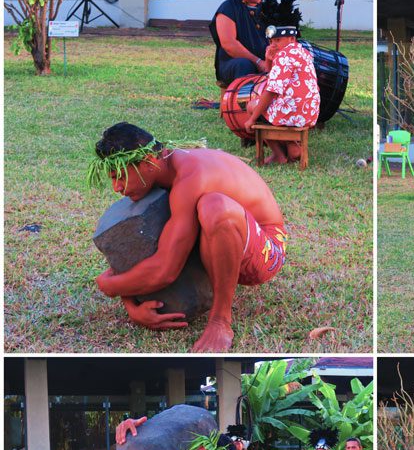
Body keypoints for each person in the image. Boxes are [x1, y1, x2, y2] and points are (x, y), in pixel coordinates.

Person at [88, 122, 288, 353]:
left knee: (215, 207)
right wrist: (131, 305)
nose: (116, 187)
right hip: (227, 236)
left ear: (148, 163)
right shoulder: (163, 167)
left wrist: (111, 286)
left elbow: (165, 270)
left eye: (120, 176)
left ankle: (221, 320)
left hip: (266, 249)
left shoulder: (191, 175)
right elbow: (138, 244)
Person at [243, 0, 321, 164]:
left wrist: (251, 119)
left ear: (291, 39)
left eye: (278, 40)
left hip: (294, 112)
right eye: (271, 41)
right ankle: (292, 145)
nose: (274, 45)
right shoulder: (302, 51)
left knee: (252, 106)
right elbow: (275, 78)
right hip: (309, 112)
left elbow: (271, 90)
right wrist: (269, 59)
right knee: (275, 105)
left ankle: (279, 154)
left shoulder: (285, 56)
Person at [209, 0, 269, 84]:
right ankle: (243, 99)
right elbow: (229, 44)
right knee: (244, 65)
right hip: (233, 63)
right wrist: (259, 62)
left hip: (267, 60)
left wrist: (272, 60)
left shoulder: (271, 4)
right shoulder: (228, 7)